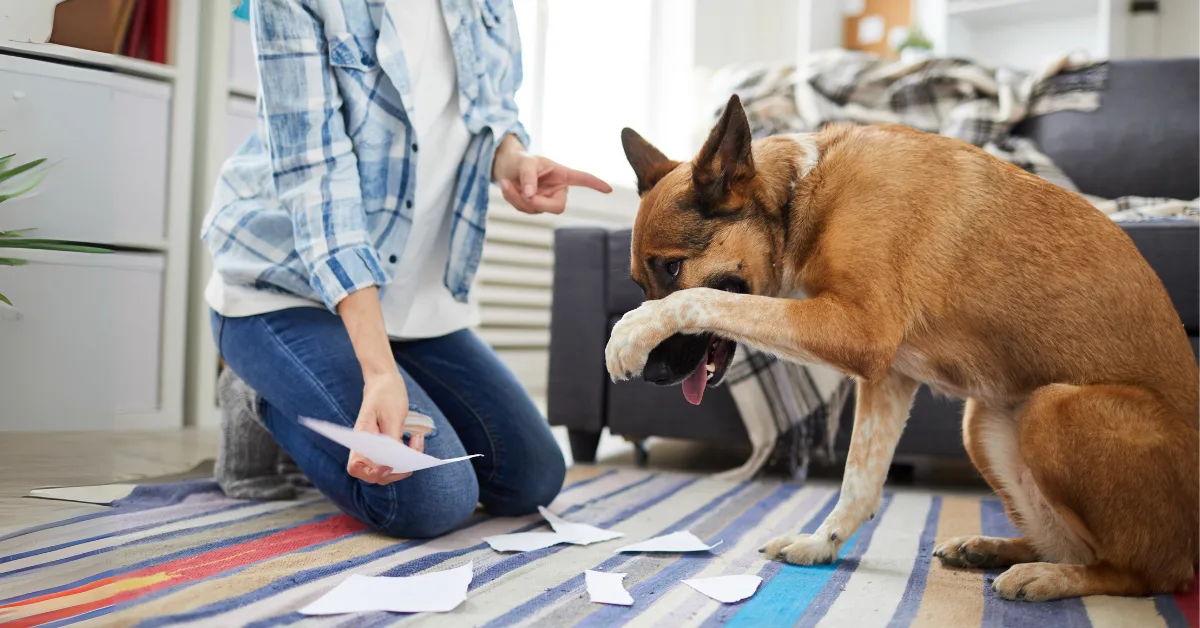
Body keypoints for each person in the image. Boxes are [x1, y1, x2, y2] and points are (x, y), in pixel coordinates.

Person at [202, 0, 611, 538]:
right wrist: (377, 373)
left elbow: (493, 109)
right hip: (281, 289)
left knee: (531, 478)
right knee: (430, 499)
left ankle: (347, 378)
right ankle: (257, 392)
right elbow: (317, 182)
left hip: (409, 305)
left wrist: (513, 160)